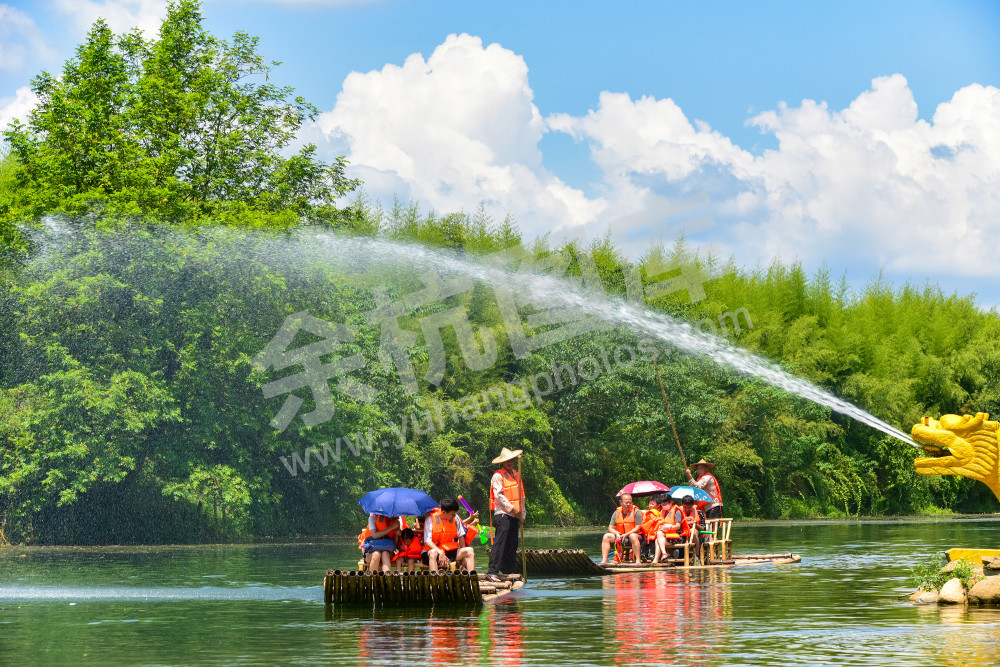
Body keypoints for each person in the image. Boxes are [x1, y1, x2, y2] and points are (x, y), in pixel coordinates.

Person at [487, 447, 525, 582]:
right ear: (503, 462)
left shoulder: (517, 475)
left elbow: (521, 498)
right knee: (500, 542)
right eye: (507, 461)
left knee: (512, 544)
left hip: (515, 515)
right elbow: (498, 496)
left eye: (512, 461)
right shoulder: (498, 476)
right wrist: (512, 509)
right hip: (503, 513)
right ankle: (492, 572)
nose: (510, 463)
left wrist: (522, 515)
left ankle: (507, 571)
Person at [423, 498, 475, 572]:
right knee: (433, 553)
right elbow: (427, 541)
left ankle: (471, 577)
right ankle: (436, 580)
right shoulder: (430, 519)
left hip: (448, 551)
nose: (454, 516)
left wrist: (463, 557)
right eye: (452, 514)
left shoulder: (455, 518)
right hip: (432, 552)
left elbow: (461, 535)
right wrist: (440, 552)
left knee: (469, 550)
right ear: (444, 512)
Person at [600, 493, 643, 564]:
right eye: (626, 502)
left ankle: (638, 561)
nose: (628, 504)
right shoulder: (616, 512)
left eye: (630, 502)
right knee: (606, 536)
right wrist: (616, 533)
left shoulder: (636, 512)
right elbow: (610, 528)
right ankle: (604, 560)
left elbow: (638, 528)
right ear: (621, 502)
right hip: (620, 537)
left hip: (634, 536)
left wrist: (626, 534)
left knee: (632, 536)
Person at [654, 494, 684, 563]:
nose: (664, 506)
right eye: (663, 504)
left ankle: (657, 560)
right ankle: (663, 555)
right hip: (664, 536)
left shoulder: (677, 511)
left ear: (671, 502)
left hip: (676, 537)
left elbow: (678, 526)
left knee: (657, 540)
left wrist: (669, 527)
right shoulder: (662, 512)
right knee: (658, 535)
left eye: (666, 504)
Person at [638, 496, 663, 560]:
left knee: (652, 542)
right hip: (648, 533)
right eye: (649, 504)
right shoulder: (648, 513)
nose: (650, 505)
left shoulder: (660, 513)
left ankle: (652, 554)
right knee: (644, 543)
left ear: (658, 505)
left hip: (654, 533)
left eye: (652, 504)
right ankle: (644, 554)